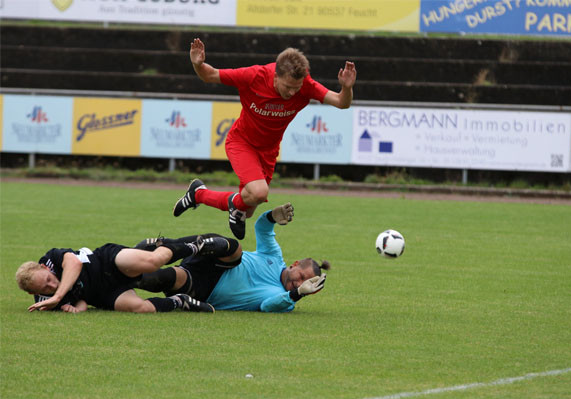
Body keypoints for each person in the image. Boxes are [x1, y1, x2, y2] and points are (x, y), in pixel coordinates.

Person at [172, 38, 357, 240]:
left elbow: (341, 103)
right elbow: (210, 75)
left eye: (297, 87)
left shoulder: (306, 85)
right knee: (259, 193)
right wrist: (197, 64)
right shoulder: (254, 76)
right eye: (288, 86)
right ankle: (230, 206)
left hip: (268, 151)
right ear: (275, 75)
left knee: (248, 207)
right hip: (241, 142)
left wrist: (346, 88)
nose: (293, 92)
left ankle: (198, 194)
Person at [138, 202, 329, 313]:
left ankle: (123, 277)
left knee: (167, 278)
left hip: (205, 288)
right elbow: (262, 228)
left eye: (306, 284)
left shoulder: (286, 300)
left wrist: (297, 295)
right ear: (295, 264)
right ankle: (166, 246)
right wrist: (271, 216)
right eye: (302, 276)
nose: (299, 283)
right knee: (234, 249)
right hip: (215, 258)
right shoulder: (274, 256)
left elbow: (267, 306)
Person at [15, 234, 222, 313]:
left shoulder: (51, 258)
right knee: (140, 308)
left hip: (107, 261)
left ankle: (195, 246)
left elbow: (74, 263)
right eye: (45, 289)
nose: (51, 286)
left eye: (49, 280)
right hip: (105, 294)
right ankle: (180, 301)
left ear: (44, 268)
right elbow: (81, 303)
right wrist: (74, 309)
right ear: (32, 293)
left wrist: (59, 295)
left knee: (153, 262)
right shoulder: (45, 301)